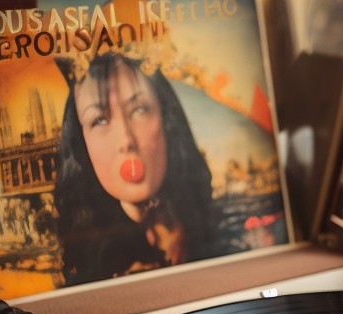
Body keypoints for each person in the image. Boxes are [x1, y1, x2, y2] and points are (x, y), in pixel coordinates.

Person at [53, 50, 219, 286]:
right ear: (81, 144)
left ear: (166, 121)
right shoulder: (87, 259)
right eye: (99, 119)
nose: (126, 140)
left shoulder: (209, 231)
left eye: (139, 110)